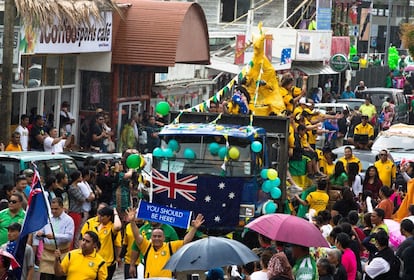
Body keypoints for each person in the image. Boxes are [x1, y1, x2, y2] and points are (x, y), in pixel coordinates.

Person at [126, 208, 205, 279]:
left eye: (159, 236)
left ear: (164, 238)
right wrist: (132, 222)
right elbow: (137, 236)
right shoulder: (147, 246)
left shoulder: (170, 246)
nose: (157, 238)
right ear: (151, 238)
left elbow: (186, 241)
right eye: (154, 236)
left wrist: (194, 228)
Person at [33, 198, 74, 280]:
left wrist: (55, 236)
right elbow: (38, 233)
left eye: (56, 209)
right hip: (47, 255)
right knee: (44, 277)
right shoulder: (47, 219)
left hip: (61, 254)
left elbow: (69, 237)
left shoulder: (69, 220)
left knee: (60, 277)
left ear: (62, 207)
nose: (54, 211)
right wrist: (39, 234)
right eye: (52, 209)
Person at [81, 206, 122, 280]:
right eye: (99, 214)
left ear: (109, 217)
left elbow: (118, 227)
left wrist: (115, 214)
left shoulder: (111, 227)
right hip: (91, 260)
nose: (99, 217)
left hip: (107, 263)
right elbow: (82, 239)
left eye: (102, 216)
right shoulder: (90, 223)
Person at [67, 170, 85, 248]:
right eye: (80, 176)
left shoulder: (77, 187)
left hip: (79, 211)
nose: (81, 178)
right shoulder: (73, 188)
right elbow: (82, 198)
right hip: (74, 211)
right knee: (74, 232)